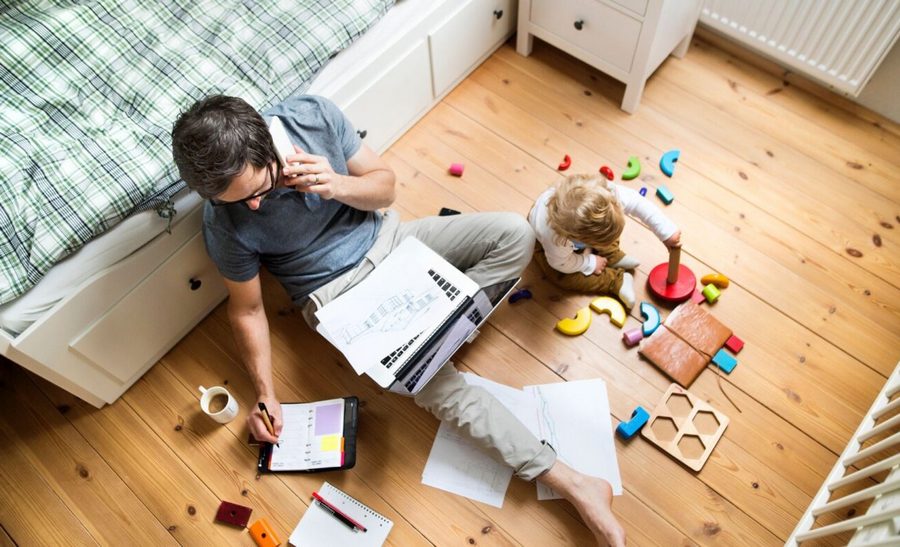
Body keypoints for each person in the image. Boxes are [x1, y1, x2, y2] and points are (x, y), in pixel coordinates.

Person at [171, 94, 625, 546]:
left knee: (515, 233)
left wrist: (336, 184)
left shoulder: (311, 116)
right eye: (234, 201)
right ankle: (573, 482)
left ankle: (437, 335)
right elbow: (247, 309)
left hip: (393, 240)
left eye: (259, 190)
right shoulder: (223, 222)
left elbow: (386, 187)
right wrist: (265, 393)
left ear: (267, 145)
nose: (252, 206)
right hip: (338, 297)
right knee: (427, 382)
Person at [529, 174, 681, 308]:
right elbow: (561, 264)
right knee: (559, 276)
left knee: (608, 228)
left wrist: (666, 232)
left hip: (580, 233)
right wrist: (589, 262)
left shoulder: (607, 194)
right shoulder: (555, 240)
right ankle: (615, 282)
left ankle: (612, 255)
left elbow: (637, 203)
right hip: (552, 250)